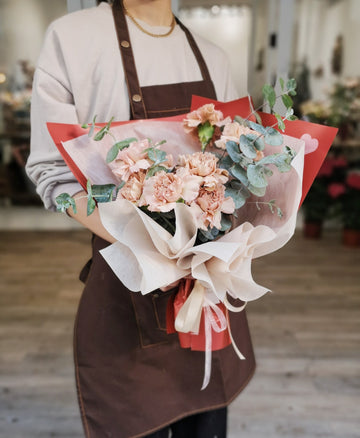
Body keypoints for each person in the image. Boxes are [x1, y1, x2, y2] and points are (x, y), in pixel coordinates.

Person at [26, 1, 256, 437]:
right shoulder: (73, 39)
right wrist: (152, 243)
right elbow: (53, 176)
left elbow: (238, 170)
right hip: (124, 289)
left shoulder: (214, 56)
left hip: (206, 293)